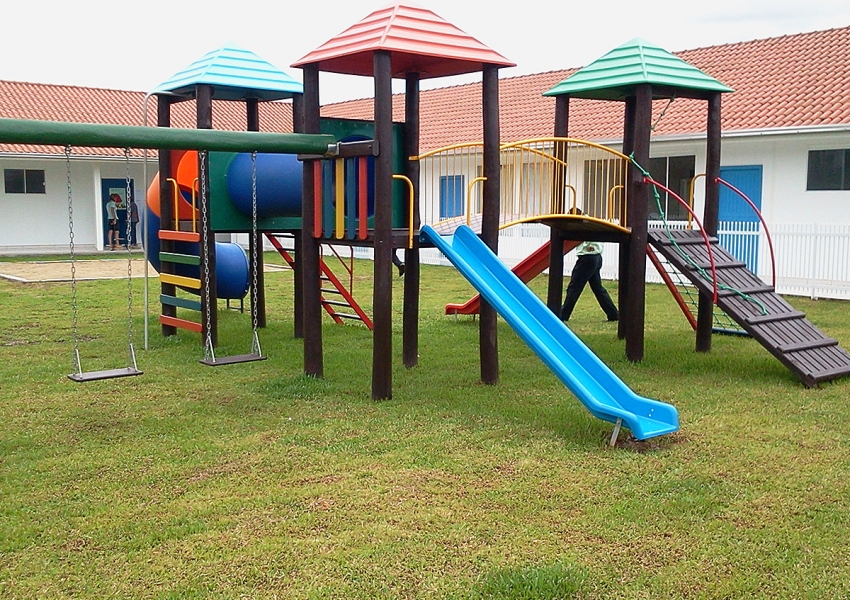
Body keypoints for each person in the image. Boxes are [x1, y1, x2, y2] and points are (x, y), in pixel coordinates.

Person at [560, 239, 619, 322]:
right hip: (596, 256)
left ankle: (563, 314)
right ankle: (613, 314)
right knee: (598, 288)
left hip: (588, 257)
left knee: (574, 287)